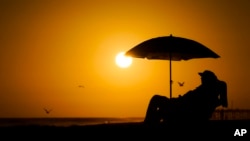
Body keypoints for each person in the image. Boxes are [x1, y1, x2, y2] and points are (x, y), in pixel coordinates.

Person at [144, 70, 228, 126]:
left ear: (208, 79)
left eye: (203, 77)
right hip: (180, 104)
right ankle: (148, 123)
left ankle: (147, 123)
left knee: (156, 100)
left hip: (182, 109)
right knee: (158, 105)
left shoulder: (207, 92)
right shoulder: (203, 89)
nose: (201, 79)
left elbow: (221, 102)